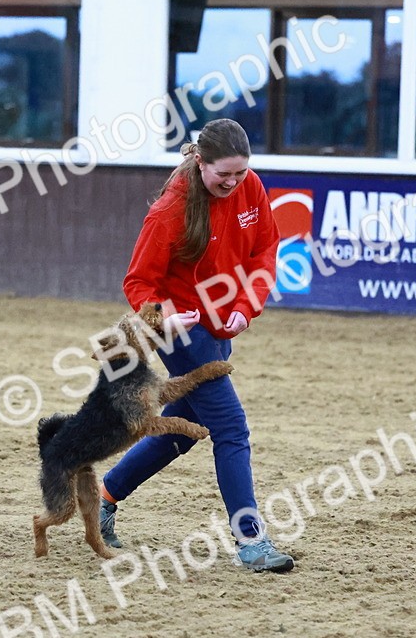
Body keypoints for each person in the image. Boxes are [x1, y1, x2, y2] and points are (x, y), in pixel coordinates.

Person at [97, 118, 294, 573]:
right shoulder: (171, 209)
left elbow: (265, 248)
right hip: (184, 333)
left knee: (184, 428)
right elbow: (139, 281)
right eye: (224, 174)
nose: (234, 182)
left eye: (241, 172)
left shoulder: (250, 187)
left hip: (223, 328)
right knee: (232, 428)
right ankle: (251, 540)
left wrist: (247, 306)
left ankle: (104, 496)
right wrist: (163, 317)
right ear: (200, 162)